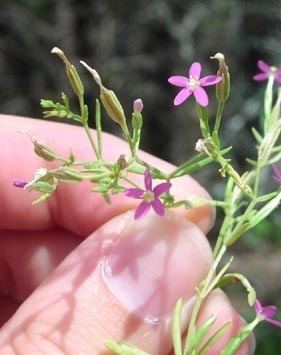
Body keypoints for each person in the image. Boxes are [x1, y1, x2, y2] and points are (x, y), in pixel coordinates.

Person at [0, 115, 254, 354]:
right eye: (147, 193)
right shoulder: (147, 200)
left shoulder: (152, 195)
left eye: (151, 193)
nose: (147, 194)